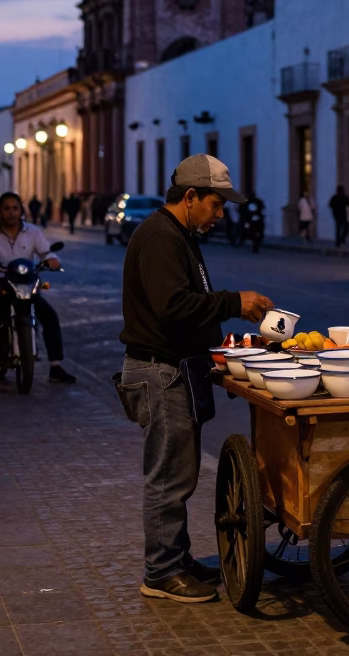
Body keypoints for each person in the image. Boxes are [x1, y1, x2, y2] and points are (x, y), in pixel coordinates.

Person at [121, 154, 272, 603]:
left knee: (180, 472)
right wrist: (234, 302)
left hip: (177, 369)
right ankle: (161, 572)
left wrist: (223, 343)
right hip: (160, 372)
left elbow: (188, 304)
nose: (221, 213)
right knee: (169, 477)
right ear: (190, 197)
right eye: (216, 203)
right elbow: (173, 306)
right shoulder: (160, 238)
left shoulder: (180, 235)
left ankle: (176, 558)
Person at [0, 191, 77, 386]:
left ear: (21, 210)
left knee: (49, 316)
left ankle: (56, 366)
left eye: (15, 208)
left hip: (26, 284)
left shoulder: (33, 232)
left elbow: (47, 252)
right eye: (7, 209)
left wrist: (51, 261)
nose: (11, 213)